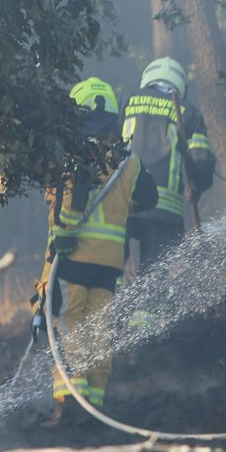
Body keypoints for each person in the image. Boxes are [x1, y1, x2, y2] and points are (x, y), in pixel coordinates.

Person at [39, 77, 156, 419]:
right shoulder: (128, 160)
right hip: (110, 263)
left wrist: (63, 231)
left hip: (74, 256)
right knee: (98, 328)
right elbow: (150, 196)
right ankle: (97, 400)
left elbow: (75, 194)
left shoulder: (78, 152)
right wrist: (122, 207)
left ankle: (71, 401)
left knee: (70, 322)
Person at [120, 56, 214, 273]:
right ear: (180, 85)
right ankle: (144, 308)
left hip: (121, 205)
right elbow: (202, 164)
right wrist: (197, 186)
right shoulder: (187, 113)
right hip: (164, 213)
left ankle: (111, 306)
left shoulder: (125, 101)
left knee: (111, 270)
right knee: (153, 281)